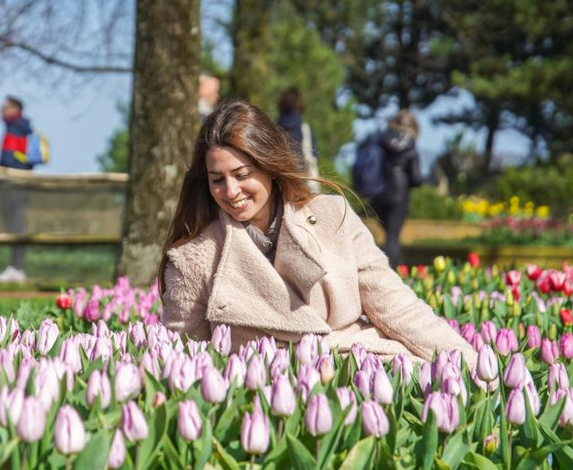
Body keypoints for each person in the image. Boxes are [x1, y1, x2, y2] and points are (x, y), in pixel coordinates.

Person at [159, 100, 476, 367]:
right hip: (268, 396)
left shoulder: (332, 215)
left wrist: (469, 365)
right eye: (217, 179)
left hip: (362, 369)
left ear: (270, 166)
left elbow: (395, 306)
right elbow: (187, 359)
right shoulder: (193, 260)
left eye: (242, 175)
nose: (230, 191)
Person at [370, 110, 423, 268]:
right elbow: (416, 178)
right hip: (398, 196)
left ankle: (400, 268)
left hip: (378, 193)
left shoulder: (380, 139)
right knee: (393, 238)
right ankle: (388, 272)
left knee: (390, 236)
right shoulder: (410, 146)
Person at [0, 95, 33, 283]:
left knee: (16, 225)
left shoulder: (17, 128)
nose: (2, 109)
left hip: (14, 182)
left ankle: (17, 268)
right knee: (13, 224)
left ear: (15, 109)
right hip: (14, 182)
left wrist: (3, 171)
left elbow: (10, 158)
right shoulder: (17, 127)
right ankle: (15, 266)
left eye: (6, 107)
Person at [276, 87, 319, 182]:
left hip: (282, 178)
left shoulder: (274, 127)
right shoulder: (304, 127)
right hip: (303, 178)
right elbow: (314, 154)